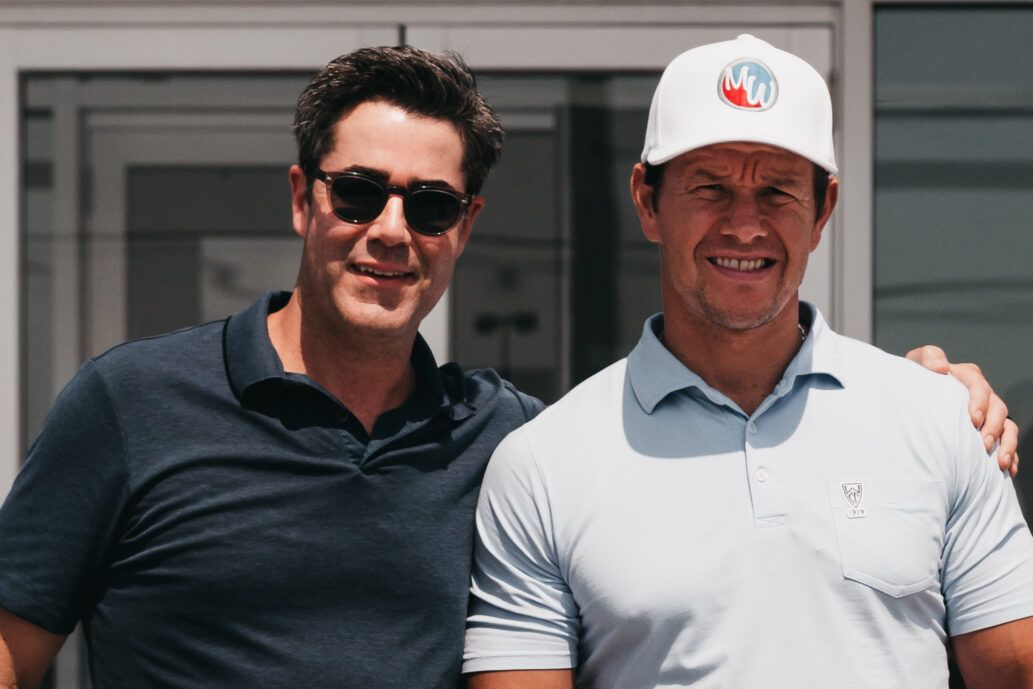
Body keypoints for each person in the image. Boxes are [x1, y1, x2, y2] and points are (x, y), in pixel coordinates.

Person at [0, 44, 1016, 689]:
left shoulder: (505, 439)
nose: (390, 229)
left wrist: (928, 395)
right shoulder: (132, 401)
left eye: (429, 204)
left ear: (465, 223)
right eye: (358, 192)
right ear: (303, 197)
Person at [463, 35, 1033, 689]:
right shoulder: (541, 465)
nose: (743, 225)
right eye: (709, 187)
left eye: (776, 191)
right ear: (647, 201)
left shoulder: (942, 421)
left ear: (822, 210)